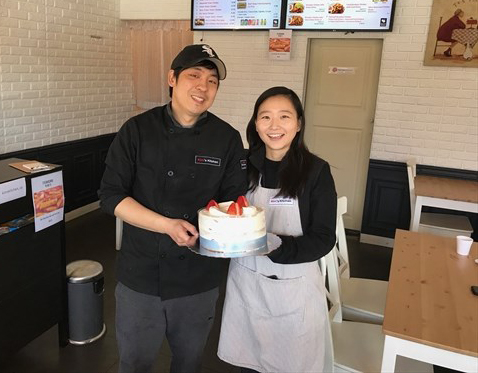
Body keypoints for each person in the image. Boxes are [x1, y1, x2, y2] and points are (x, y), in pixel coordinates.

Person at [98, 44, 247, 373]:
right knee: (134, 363)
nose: (203, 87)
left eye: (212, 81)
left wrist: (224, 230)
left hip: (198, 279)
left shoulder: (227, 138)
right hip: (141, 277)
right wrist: (167, 225)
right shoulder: (136, 131)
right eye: (194, 75)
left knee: (189, 363)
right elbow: (110, 196)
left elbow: (233, 202)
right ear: (172, 78)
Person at [217, 86, 337, 372]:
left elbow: (323, 239)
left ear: (298, 124)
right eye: (265, 117)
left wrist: (277, 245)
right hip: (246, 283)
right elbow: (223, 212)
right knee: (248, 361)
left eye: (284, 117)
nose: (274, 126)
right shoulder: (243, 166)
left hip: (295, 290)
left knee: (292, 362)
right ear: (255, 124)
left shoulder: (316, 171)